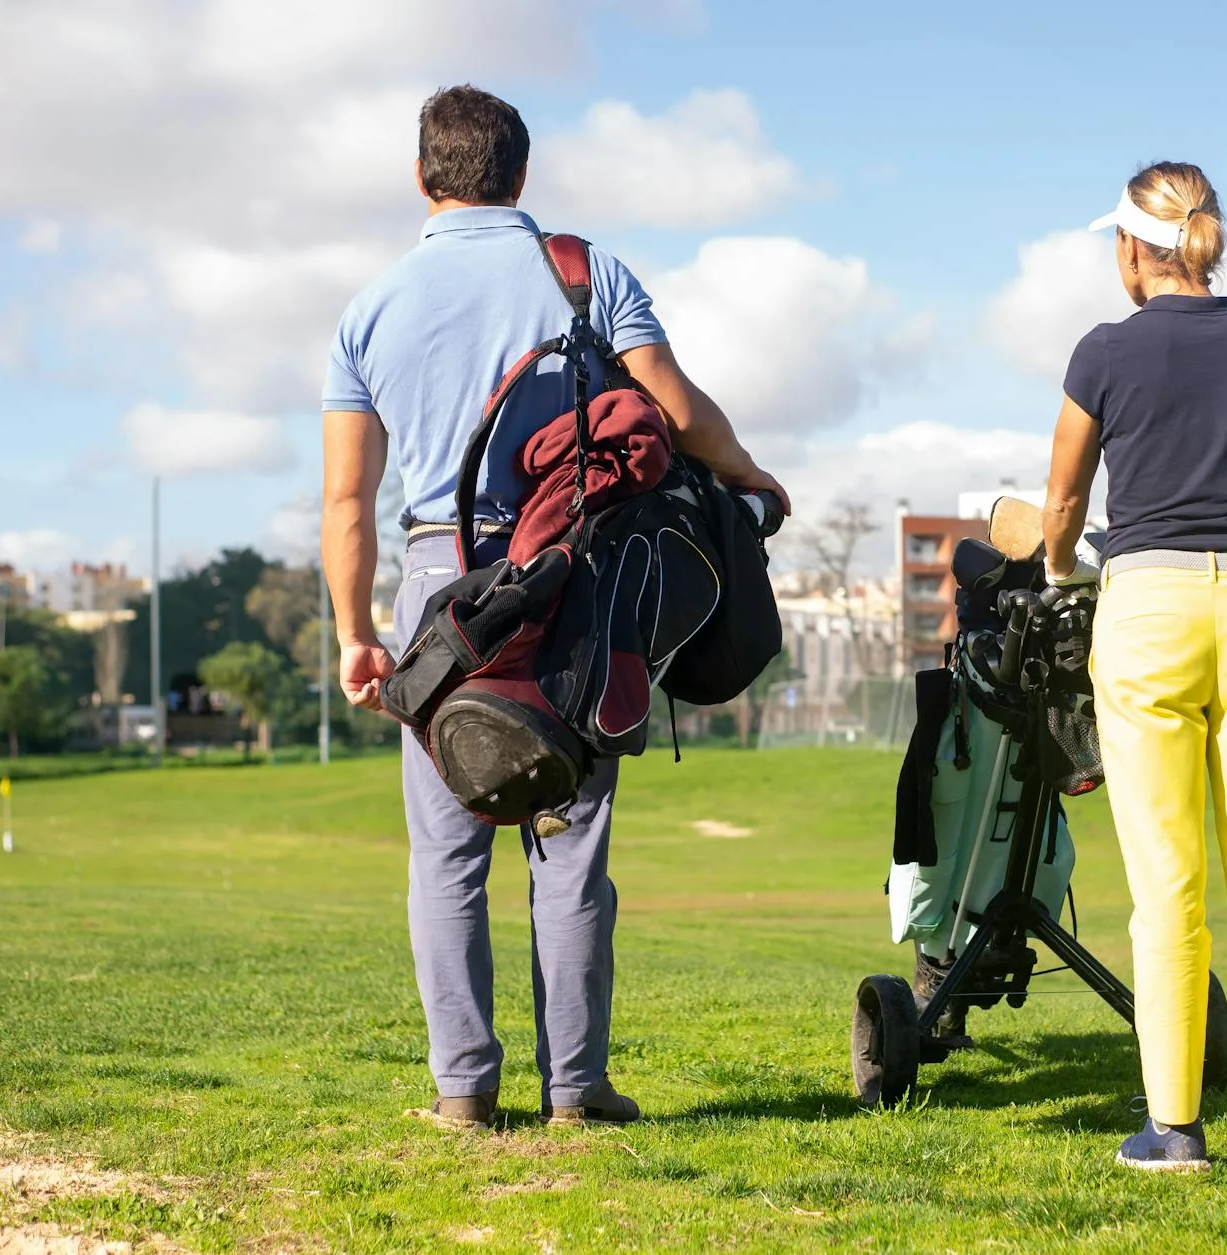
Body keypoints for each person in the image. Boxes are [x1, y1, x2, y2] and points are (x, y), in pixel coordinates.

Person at [319, 85, 788, 1131]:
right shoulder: (585, 275)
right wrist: (752, 472)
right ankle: (574, 1090)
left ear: (421, 177)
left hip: (440, 588)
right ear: (519, 175)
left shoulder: (370, 307)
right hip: (569, 575)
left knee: (445, 853)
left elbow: (348, 495)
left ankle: (462, 1093)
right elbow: (672, 406)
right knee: (567, 839)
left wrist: (357, 632)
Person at [1040, 162, 1227, 1180]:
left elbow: (1064, 500)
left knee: (1168, 883)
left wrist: (1051, 567)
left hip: (1148, 608)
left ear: (1129, 249)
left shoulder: (1102, 351)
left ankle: (1174, 1128)